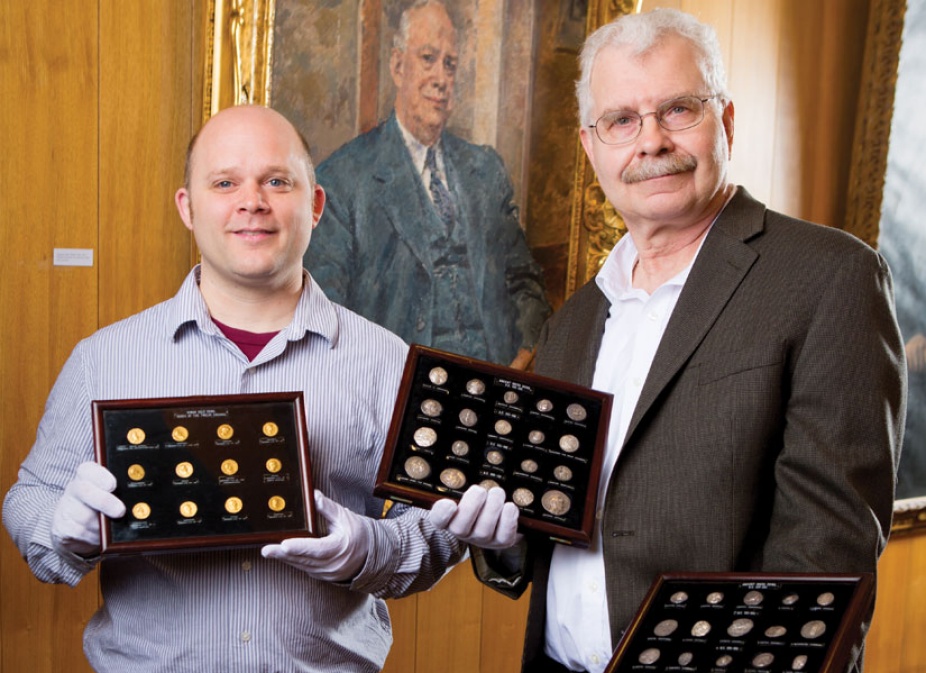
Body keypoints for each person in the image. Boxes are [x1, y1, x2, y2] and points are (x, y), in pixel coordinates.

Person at [428, 8, 907, 673]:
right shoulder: (573, 319)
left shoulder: (829, 277)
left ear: (726, 121)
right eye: (621, 120)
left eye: (678, 109)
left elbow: (826, 557)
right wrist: (503, 539)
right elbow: (546, 543)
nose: (650, 141)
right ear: (592, 146)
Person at [2, 105, 465, 673]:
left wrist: (367, 549)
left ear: (315, 205)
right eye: (225, 183)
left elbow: (435, 529)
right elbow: (29, 498)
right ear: (188, 208)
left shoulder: (387, 362)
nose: (253, 201)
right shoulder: (104, 358)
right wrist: (59, 527)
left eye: (277, 180)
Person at [304, 0, 550, 368]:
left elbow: (525, 283)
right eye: (428, 58)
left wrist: (522, 361)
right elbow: (326, 315)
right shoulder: (342, 178)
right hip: (395, 393)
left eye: (449, 64)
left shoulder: (484, 169)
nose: (441, 77)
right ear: (398, 66)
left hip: (494, 384)